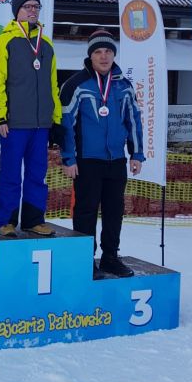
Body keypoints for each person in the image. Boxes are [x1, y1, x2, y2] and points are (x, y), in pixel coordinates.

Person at [59, 29, 145, 277]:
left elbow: (133, 120)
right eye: (98, 52)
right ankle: (85, 260)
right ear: (90, 55)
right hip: (87, 160)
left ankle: (110, 258)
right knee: (86, 211)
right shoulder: (76, 84)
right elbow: (65, 124)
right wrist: (68, 157)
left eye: (108, 51)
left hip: (116, 160)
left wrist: (136, 153)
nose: (104, 56)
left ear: (114, 54)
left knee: (114, 211)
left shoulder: (124, 85)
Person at [0, 0, 61, 237]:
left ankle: (33, 220)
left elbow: (53, 85)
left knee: (37, 174)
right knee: (11, 174)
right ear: (17, 11)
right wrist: (0, 116)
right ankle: (5, 221)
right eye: (27, 6)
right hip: (15, 123)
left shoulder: (46, 43)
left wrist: (56, 118)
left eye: (36, 7)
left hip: (41, 124)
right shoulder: (3, 41)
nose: (32, 10)